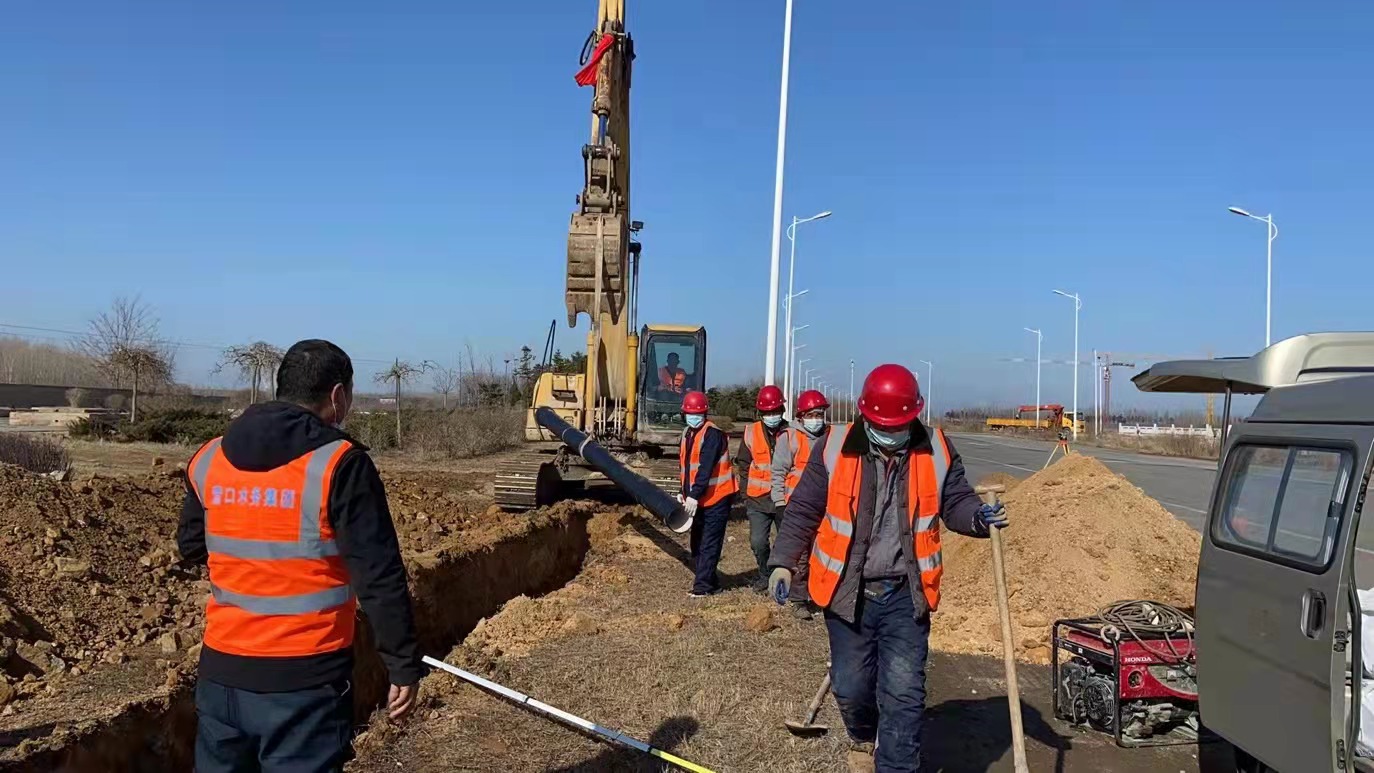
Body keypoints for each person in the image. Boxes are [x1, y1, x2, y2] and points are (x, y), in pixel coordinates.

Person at [177, 339, 422, 773]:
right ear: (338, 395)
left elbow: (193, 546)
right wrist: (402, 665)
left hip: (221, 676)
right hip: (305, 684)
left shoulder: (209, 457)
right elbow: (379, 577)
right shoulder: (340, 463)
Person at [768, 364, 1008, 773]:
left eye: (898, 425)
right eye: (881, 425)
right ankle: (865, 736)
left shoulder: (936, 449)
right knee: (851, 687)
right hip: (847, 593)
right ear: (865, 414)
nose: (890, 432)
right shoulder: (834, 447)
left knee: (903, 693)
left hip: (905, 595)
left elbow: (955, 501)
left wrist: (977, 518)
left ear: (914, 415)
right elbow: (804, 508)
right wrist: (782, 563)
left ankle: (895, 764)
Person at [770, 388, 830, 620]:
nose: (816, 419)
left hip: (826, 507)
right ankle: (798, 600)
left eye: (819, 414)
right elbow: (778, 472)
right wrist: (779, 502)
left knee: (823, 552)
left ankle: (821, 594)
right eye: (811, 415)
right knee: (800, 556)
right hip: (797, 507)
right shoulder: (789, 437)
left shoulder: (830, 438)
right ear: (801, 416)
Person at [678, 390, 738, 597]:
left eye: (698, 414)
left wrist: (693, 494)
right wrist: (684, 492)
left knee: (709, 543)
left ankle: (702, 587)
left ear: (705, 414)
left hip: (717, 496)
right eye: (690, 413)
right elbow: (686, 466)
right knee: (696, 543)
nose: (694, 417)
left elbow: (705, 469)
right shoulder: (687, 433)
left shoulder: (712, 435)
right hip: (700, 497)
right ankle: (712, 583)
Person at [736, 385, 789, 593]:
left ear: (782, 410)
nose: (771, 415)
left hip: (784, 499)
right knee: (758, 541)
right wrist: (745, 494)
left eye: (775, 411)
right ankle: (765, 574)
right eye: (767, 412)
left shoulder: (792, 433)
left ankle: (782, 576)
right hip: (757, 499)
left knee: (786, 542)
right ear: (760, 413)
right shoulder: (751, 432)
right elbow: (743, 464)